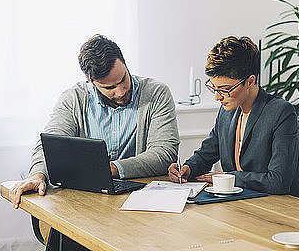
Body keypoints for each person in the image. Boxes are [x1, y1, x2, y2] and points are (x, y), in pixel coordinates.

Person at [10, 34, 179, 208]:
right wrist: (38, 174)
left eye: (123, 79)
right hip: (84, 201)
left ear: (125, 63)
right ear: (90, 81)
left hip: (141, 200)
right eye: (110, 87)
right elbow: (50, 146)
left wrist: (110, 169)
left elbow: (163, 154)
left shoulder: (157, 93)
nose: (121, 91)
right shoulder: (74, 98)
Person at [168, 36, 299, 200]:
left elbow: (278, 182)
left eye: (225, 89)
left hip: (287, 209)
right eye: (214, 87)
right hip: (245, 204)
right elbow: (206, 154)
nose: (217, 97)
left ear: (250, 81)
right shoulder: (227, 111)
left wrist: (231, 177)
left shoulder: (280, 113)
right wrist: (188, 168)